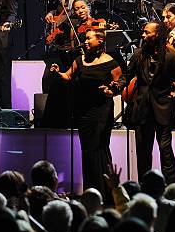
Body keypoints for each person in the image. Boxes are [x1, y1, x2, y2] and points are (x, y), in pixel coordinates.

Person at [51, 29, 124, 198]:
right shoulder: (79, 61)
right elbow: (68, 77)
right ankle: (92, 192)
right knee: (87, 151)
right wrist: (57, 72)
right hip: (83, 112)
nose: (85, 41)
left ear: (100, 41)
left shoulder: (110, 62)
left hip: (101, 112)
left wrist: (110, 90)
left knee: (98, 149)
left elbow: (119, 83)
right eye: (85, 38)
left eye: (89, 38)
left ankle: (104, 193)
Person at [126, 21, 175, 184]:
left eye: (147, 32)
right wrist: (116, 86)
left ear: (157, 35)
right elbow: (126, 76)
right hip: (142, 109)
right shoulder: (139, 54)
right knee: (143, 152)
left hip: (163, 108)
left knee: (165, 151)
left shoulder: (172, 56)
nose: (143, 35)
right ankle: (144, 188)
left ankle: (171, 190)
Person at [42, 0, 90, 128]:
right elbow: (58, 15)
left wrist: (66, 21)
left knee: (72, 84)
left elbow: (85, 18)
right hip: (60, 46)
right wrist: (51, 15)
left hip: (74, 47)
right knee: (50, 79)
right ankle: (55, 122)